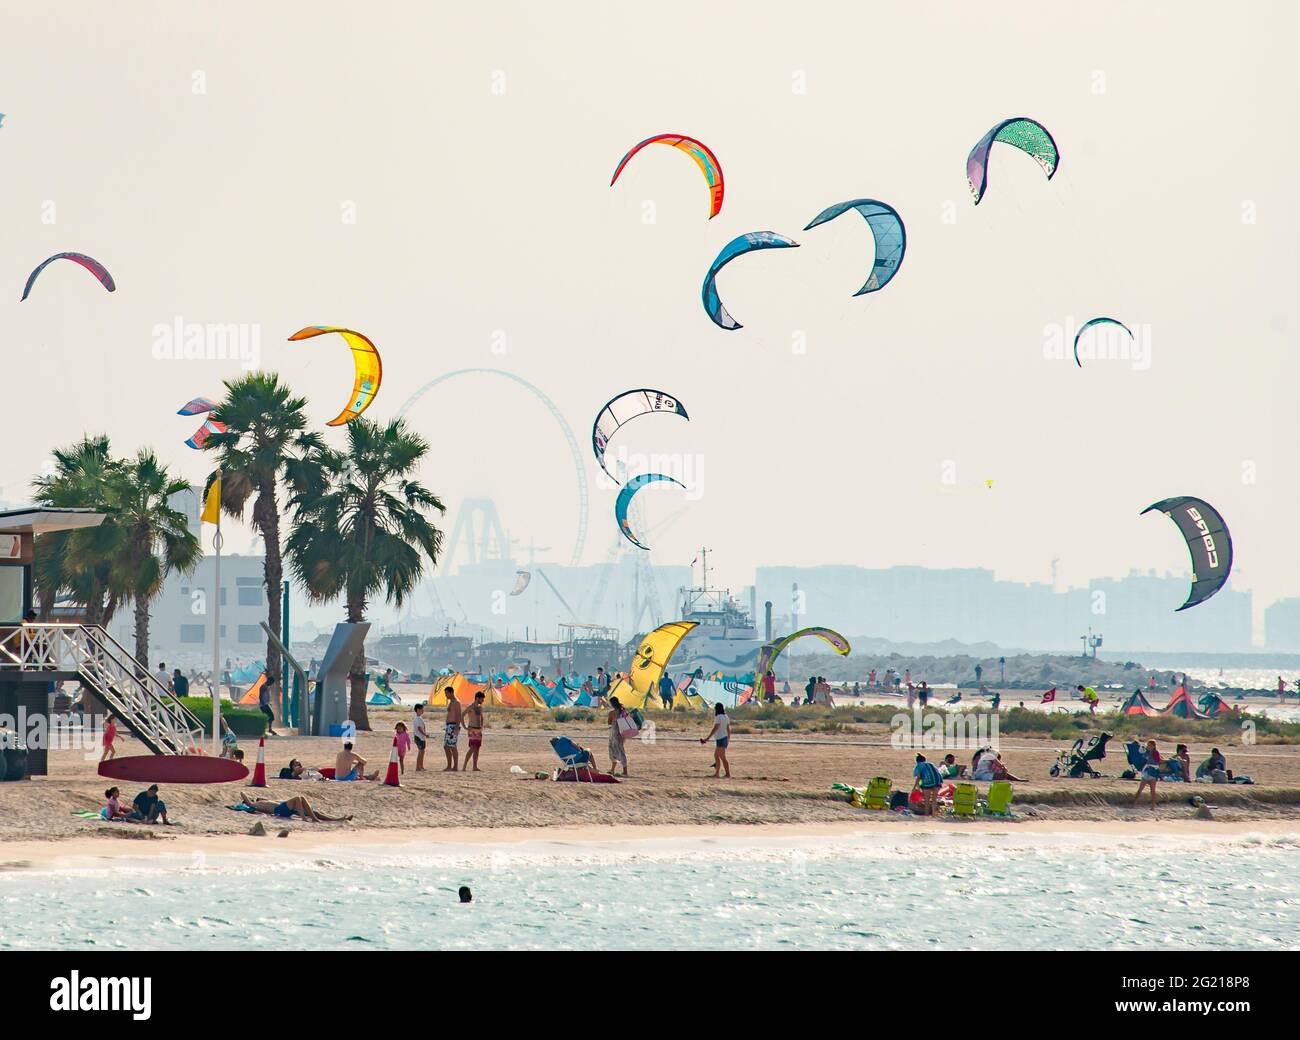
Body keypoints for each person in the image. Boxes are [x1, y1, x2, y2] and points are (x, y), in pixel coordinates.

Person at [237, 794, 352, 822]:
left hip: (286, 809)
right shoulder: (256, 805)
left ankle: (338, 819)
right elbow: (245, 797)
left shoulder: (264, 801)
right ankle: (304, 818)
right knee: (298, 798)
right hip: (280, 810)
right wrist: (246, 797)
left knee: (313, 811)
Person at [701, 702, 731, 778]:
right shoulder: (725, 716)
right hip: (724, 738)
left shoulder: (718, 717)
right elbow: (728, 729)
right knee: (718, 756)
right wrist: (728, 739)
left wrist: (707, 738)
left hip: (720, 738)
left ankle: (724, 774)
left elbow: (715, 728)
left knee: (721, 757)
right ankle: (719, 773)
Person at [1134, 740, 1162, 808]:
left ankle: (1153, 806)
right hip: (1147, 771)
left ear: (1154, 746)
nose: (1149, 747)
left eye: (1150, 745)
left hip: (1152, 772)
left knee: (1152, 790)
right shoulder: (1146, 752)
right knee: (1140, 789)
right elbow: (1141, 752)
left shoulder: (1155, 752)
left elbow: (1159, 761)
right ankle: (1134, 804)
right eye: (1148, 745)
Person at [607, 695, 629, 777]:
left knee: (612, 750)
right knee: (621, 750)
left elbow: (609, 723)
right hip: (622, 733)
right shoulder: (623, 711)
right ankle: (620, 770)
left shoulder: (612, 713)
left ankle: (622, 771)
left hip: (614, 733)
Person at [462, 691, 485, 771]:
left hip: (478, 730)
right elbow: (462, 715)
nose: (483, 701)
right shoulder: (470, 707)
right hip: (472, 729)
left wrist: (482, 726)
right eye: (482, 699)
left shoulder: (480, 707)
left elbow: (481, 717)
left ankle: (474, 766)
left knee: (477, 749)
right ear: (477, 698)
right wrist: (464, 727)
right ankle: (464, 766)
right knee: (472, 748)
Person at [443, 686, 462, 771]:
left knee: (452, 746)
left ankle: (455, 766)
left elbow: (459, 715)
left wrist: (457, 727)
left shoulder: (456, 702)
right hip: (449, 726)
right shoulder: (451, 702)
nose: (446, 695)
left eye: (446, 693)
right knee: (446, 746)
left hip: (453, 726)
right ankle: (449, 765)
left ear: (451, 692)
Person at [259, 671, 278, 736]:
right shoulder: (263, 686)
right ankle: (265, 729)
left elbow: (266, 696)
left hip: (266, 704)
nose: (272, 684)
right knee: (270, 717)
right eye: (271, 682)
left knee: (271, 717)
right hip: (263, 705)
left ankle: (268, 729)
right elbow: (260, 696)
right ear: (269, 681)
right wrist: (263, 704)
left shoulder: (267, 686)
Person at [412, 702, 429, 771]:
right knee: (420, 752)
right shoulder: (418, 718)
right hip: (419, 737)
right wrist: (425, 734)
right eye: (422, 709)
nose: (423, 711)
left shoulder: (419, 718)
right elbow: (419, 728)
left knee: (422, 752)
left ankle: (421, 766)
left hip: (421, 738)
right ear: (418, 710)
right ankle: (417, 767)